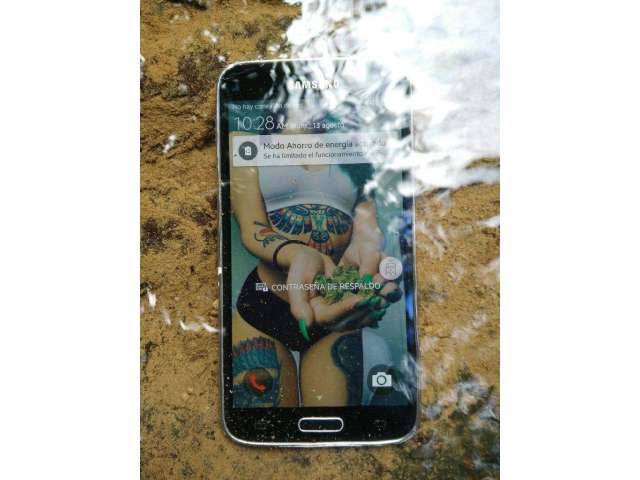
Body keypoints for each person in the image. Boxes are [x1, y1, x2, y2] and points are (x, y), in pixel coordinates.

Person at [230, 135, 401, 408]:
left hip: (335, 304)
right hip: (265, 305)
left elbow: (367, 227)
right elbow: (252, 228)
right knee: (266, 421)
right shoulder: (245, 140)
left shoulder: (354, 145)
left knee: (336, 419)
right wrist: (298, 254)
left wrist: (368, 252)